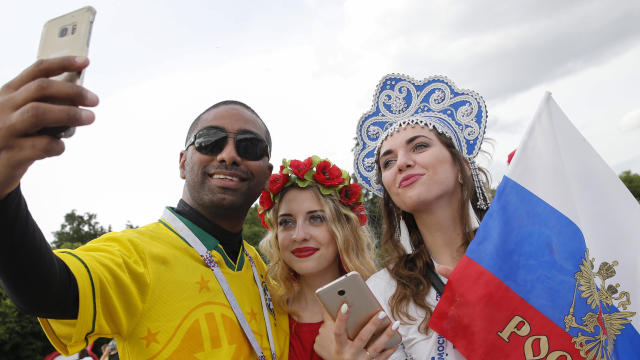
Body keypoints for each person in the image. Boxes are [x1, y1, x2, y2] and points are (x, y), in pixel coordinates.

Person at [0, 57, 289, 359]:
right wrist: (4, 190)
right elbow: (46, 290)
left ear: (266, 175)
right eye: (209, 141)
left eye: (250, 147)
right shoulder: (135, 257)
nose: (229, 155)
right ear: (182, 163)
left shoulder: (264, 270)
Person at [325, 74, 491, 359]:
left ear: (461, 165)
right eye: (388, 161)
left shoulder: (520, 254)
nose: (401, 162)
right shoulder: (382, 293)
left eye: (420, 146)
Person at [256, 156, 399, 359]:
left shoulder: (382, 308)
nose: (299, 235)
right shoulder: (263, 310)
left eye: (316, 218)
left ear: (343, 228)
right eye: (286, 222)